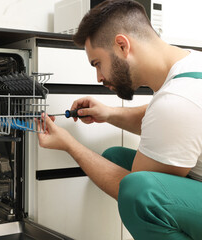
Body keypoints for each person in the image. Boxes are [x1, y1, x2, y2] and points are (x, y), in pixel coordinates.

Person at [37, 0, 202, 239]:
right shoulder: (189, 64)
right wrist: (109, 113)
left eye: (97, 64)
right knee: (115, 158)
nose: (98, 77)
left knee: (138, 192)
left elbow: (132, 193)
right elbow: (166, 122)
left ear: (122, 45)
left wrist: (69, 144)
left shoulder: (177, 100)